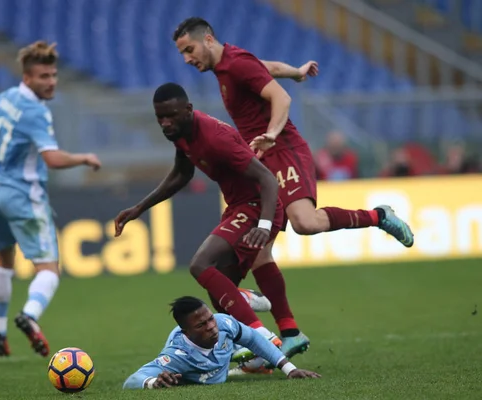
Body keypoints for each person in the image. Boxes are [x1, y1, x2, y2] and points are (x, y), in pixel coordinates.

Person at [171, 17, 415, 358]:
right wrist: (296, 71)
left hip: (282, 148)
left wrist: (271, 133)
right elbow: (265, 68)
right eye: (182, 53)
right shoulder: (229, 64)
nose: (187, 59)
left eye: (189, 50)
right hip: (259, 157)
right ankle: (290, 332)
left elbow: (281, 99)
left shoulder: (236, 63)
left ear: (208, 39)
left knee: (306, 222)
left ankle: (378, 215)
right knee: (259, 250)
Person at [114, 82, 285, 353]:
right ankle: (254, 342)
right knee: (219, 296)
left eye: (170, 115)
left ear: (188, 110)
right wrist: (139, 208)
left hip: (256, 205)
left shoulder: (215, 137)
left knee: (199, 264)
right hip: (239, 206)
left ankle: (261, 336)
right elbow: (182, 174)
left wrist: (264, 225)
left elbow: (267, 178)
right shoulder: (181, 133)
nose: (165, 124)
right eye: (160, 117)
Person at [0, 41, 102, 357]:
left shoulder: (5, 98)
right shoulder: (36, 111)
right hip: (23, 197)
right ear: (28, 78)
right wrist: (84, 158)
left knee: (4, 259)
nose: (51, 81)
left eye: (54, 74)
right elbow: (53, 160)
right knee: (48, 270)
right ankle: (29, 316)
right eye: (44, 76)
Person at [122, 296, 320, 389]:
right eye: (201, 325)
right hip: (209, 357)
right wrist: (152, 382)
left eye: (210, 318)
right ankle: (237, 350)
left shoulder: (223, 323)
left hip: (223, 348)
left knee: (248, 337)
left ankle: (242, 302)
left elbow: (254, 338)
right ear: (187, 332)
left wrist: (289, 369)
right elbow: (131, 381)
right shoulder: (175, 356)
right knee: (232, 347)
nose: (211, 326)